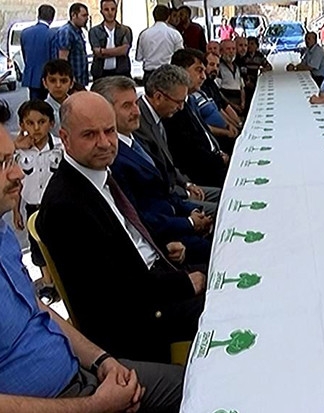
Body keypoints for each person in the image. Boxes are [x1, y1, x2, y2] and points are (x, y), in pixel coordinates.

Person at [0, 100, 185, 413]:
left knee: (197, 383)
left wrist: (101, 361)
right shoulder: (66, 204)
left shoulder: (4, 235)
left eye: (13, 159)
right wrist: (95, 405)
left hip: (83, 374)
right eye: (2, 164)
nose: (18, 173)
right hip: (71, 397)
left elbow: (37, 309)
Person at [37, 92, 207, 363]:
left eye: (109, 131)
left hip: (157, 280)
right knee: (232, 303)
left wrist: (162, 247)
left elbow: (128, 238)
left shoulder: (100, 173)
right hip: (139, 323)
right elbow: (118, 292)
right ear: (65, 138)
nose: (105, 143)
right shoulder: (65, 206)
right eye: (90, 135)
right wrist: (185, 284)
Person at [93, 76, 214, 267]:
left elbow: (163, 190)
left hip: (177, 219)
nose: (136, 111)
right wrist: (189, 223)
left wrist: (190, 210)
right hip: (167, 240)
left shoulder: (133, 140)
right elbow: (140, 218)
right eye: (127, 106)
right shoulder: (113, 159)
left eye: (136, 103)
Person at [133, 65, 220, 215]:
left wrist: (187, 184)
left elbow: (169, 165)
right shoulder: (140, 124)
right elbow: (158, 176)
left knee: (225, 196)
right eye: (178, 102)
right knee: (222, 209)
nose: (181, 108)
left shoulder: (157, 116)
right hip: (169, 199)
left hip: (179, 188)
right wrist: (185, 193)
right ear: (158, 97)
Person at [11, 100, 63, 303]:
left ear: (51, 123)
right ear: (22, 125)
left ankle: (62, 282)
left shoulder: (59, 148)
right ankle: (48, 283)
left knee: (58, 245)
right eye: (30, 123)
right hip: (33, 209)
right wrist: (16, 211)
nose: (36, 128)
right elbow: (17, 184)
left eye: (41, 122)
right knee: (38, 249)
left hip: (57, 208)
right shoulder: (19, 152)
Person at [166, 50, 229, 188]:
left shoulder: (190, 100)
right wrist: (219, 160)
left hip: (215, 160)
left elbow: (204, 133)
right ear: (181, 71)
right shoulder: (174, 110)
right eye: (198, 70)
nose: (203, 77)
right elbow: (191, 154)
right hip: (205, 175)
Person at [135, 5, 184, 85]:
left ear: (154, 16)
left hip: (149, 74)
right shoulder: (175, 34)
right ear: (168, 17)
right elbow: (180, 55)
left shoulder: (144, 34)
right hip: (168, 73)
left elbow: (139, 57)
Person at [88, 0, 133, 80]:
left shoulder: (125, 30)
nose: (110, 13)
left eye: (113, 9)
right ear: (101, 11)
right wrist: (117, 51)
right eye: (106, 9)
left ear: (116, 10)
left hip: (121, 73)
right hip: (101, 74)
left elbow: (124, 51)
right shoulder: (94, 31)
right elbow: (97, 52)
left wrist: (103, 51)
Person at [20, 4, 55, 100]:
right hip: (47, 75)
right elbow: (54, 57)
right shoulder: (52, 34)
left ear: (38, 16)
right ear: (52, 18)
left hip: (31, 75)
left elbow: (24, 55)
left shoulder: (25, 33)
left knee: (34, 103)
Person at [202, 52, 244, 130]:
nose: (215, 68)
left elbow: (224, 105)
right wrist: (233, 126)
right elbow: (219, 110)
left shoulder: (212, 83)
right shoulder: (202, 86)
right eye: (211, 64)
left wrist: (239, 123)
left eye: (217, 66)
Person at [53, 3, 89, 87]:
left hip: (80, 79)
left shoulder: (77, 31)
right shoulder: (66, 32)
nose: (86, 19)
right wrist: (70, 79)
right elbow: (63, 59)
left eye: (87, 16)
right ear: (73, 15)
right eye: (83, 15)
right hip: (73, 81)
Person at [42, 59, 74, 137]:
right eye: (52, 81)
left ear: (71, 83)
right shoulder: (41, 111)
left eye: (63, 81)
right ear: (45, 83)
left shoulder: (79, 106)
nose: (58, 85)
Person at [219, 39, 246, 114]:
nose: (231, 51)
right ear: (221, 51)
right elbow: (218, 92)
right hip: (227, 105)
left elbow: (242, 87)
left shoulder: (237, 67)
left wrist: (243, 103)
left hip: (239, 103)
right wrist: (232, 105)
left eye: (233, 49)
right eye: (228, 49)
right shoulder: (219, 68)